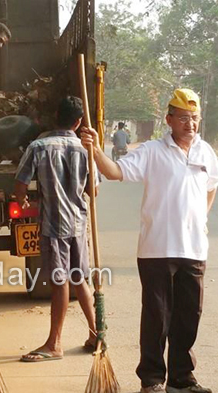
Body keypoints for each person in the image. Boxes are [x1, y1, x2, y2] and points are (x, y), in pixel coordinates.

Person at [81, 88, 218, 393]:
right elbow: (116, 171)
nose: (190, 124)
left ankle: (182, 380)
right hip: (157, 249)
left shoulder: (205, 152)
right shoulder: (153, 151)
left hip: (194, 250)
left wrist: (200, 218)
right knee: (157, 317)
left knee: (188, 318)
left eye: (194, 118)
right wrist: (96, 151)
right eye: (184, 118)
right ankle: (152, 380)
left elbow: (211, 187)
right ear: (169, 119)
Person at [15, 96, 97, 362]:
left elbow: (21, 182)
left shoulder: (38, 146)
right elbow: (92, 191)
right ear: (78, 122)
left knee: (59, 281)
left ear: (55, 117)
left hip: (54, 224)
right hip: (78, 223)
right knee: (79, 278)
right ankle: (97, 333)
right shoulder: (86, 150)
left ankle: (54, 344)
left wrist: (22, 199)